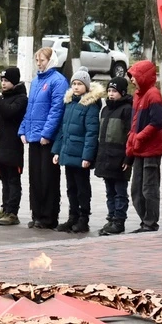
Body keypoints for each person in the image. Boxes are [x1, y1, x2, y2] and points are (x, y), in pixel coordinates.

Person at [19, 47, 67, 229]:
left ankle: (49, 216)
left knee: (48, 178)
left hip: (47, 140)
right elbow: (30, 109)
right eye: (37, 61)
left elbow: (56, 110)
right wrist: (23, 130)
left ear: (51, 61)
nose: (39, 64)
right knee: (35, 178)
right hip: (34, 137)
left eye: (42, 60)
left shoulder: (58, 81)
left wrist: (47, 133)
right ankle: (37, 213)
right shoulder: (36, 81)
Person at [51, 68, 104, 233]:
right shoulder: (69, 103)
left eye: (79, 84)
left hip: (80, 155)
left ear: (86, 86)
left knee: (82, 188)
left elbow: (91, 133)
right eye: (73, 83)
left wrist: (87, 156)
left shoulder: (90, 106)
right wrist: (57, 151)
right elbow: (63, 129)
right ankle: (72, 217)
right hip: (68, 153)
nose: (75, 87)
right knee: (71, 188)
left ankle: (83, 219)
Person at [125, 60, 162, 233]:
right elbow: (134, 122)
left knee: (149, 189)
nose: (132, 79)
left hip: (151, 150)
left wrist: (139, 137)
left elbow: (156, 122)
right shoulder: (138, 95)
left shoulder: (153, 94)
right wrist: (131, 141)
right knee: (136, 190)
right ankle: (145, 221)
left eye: (134, 76)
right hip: (139, 149)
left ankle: (150, 223)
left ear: (143, 76)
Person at [0, 67, 28, 226]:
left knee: (13, 179)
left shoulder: (21, 99)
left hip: (12, 146)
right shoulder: (1, 98)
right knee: (4, 179)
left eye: (7, 81)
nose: (3, 83)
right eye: (2, 80)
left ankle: (12, 212)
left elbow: (9, 112)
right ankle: (5, 207)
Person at [96, 77, 133, 236]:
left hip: (119, 158)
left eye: (114, 91)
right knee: (109, 191)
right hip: (106, 157)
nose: (111, 94)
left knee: (120, 191)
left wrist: (128, 158)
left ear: (123, 92)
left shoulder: (127, 109)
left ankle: (119, 220)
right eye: (109, 91)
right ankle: (111, 217)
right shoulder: (105, 109)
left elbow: (130, 135)